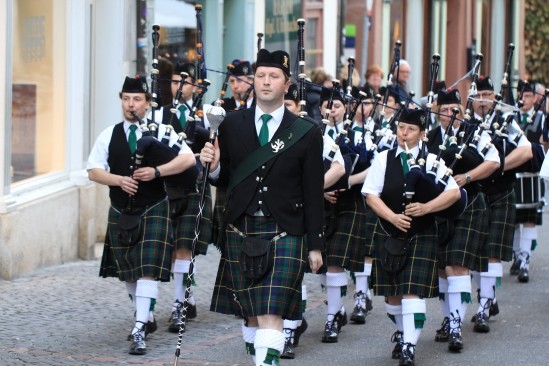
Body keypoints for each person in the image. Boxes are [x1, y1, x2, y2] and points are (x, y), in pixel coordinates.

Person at [200, 49, 325, 366]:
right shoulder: (231, 125)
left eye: (274, 76)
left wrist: (315, 245)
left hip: (286, 232)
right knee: (251, 315)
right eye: (260, 75)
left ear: (286, 85)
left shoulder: (307, 132)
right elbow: (224, 178)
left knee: (271, 313)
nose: (266, 82)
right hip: (240, 229)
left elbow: (313, 193)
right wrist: (213, 167)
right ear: (253, 81)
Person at [87, 76, 196, 355]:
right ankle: (144, 315)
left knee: (146, 268)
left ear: (147, 104)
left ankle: (138, 328)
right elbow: (93, 170)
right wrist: (118, 180)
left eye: (136, 99)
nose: (130, 104)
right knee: (128, 270)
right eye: (126, 98)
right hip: (120, 208)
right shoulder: (109, 134)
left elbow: (187, 159)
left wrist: (157, 172)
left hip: (154, 207)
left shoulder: (161, 131)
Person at [362, 108, 460, 365]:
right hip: (389, 231)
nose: (404, 133)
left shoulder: (432, 161)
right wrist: (392, 217)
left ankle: (408, 346)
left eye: (411, 129)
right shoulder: (384, 159)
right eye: (401, 127)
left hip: (422, 233)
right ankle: (404, 332)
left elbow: (454, 193)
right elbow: (371, 195)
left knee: (411, 293)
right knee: (392, 297)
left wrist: (427, 208)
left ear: (422, 134)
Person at [427, 89, 500, 352]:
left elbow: (494, 162)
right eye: (444, 110)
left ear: (462, 109)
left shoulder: (475, 133)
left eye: (454, 110)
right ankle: (449, 318)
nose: (450, 115)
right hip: (437, 208)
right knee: (441, 267)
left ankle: (456, 325)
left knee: (457, 265)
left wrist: (467, 177)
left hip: (469, 204)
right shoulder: (429, 136)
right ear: (437, 111)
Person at [280, 82, 345, 359]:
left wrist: (314, 188)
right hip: (273, 213)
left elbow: (338, 166)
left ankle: (290, 328)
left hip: (303, 211)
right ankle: (291, 323)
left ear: (298, 107)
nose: (284, 111)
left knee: (298, 269)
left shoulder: (312, 132)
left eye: (289, 106)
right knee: (285, 272)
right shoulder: (263, 131)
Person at [472, 76, 532, 333]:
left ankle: (484, 305)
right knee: (473, 253)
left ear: (495, 98)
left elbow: (527, 150)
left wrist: (500, 165)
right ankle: (488, 295)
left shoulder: (505, 122)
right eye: (479, 95)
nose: (483, 100)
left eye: (488, 94)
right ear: (472, 99)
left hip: (500, 192)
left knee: (493, 252)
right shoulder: (463, 124)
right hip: (473, 194)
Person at [159, 61, 213, 333]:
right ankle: (188, 298)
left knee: (184, 248)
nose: (179, 87)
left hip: (195, 186)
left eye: (185, 82)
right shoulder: (160, 114)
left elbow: (213, 146)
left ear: (194, 86)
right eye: (174, 82)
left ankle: (179, 305)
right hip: (166, 188)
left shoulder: (205, 114)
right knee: (168, 250)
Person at [511, 79, 546, 282]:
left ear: (534, 98)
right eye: (521, 96)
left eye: (527, 96)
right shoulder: (510, 117)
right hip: (514, 173)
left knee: (530, 219)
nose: (523, 100)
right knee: (514, 220)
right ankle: (516, 256)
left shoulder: (542, 118)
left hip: (532, 174)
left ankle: (525, 261)